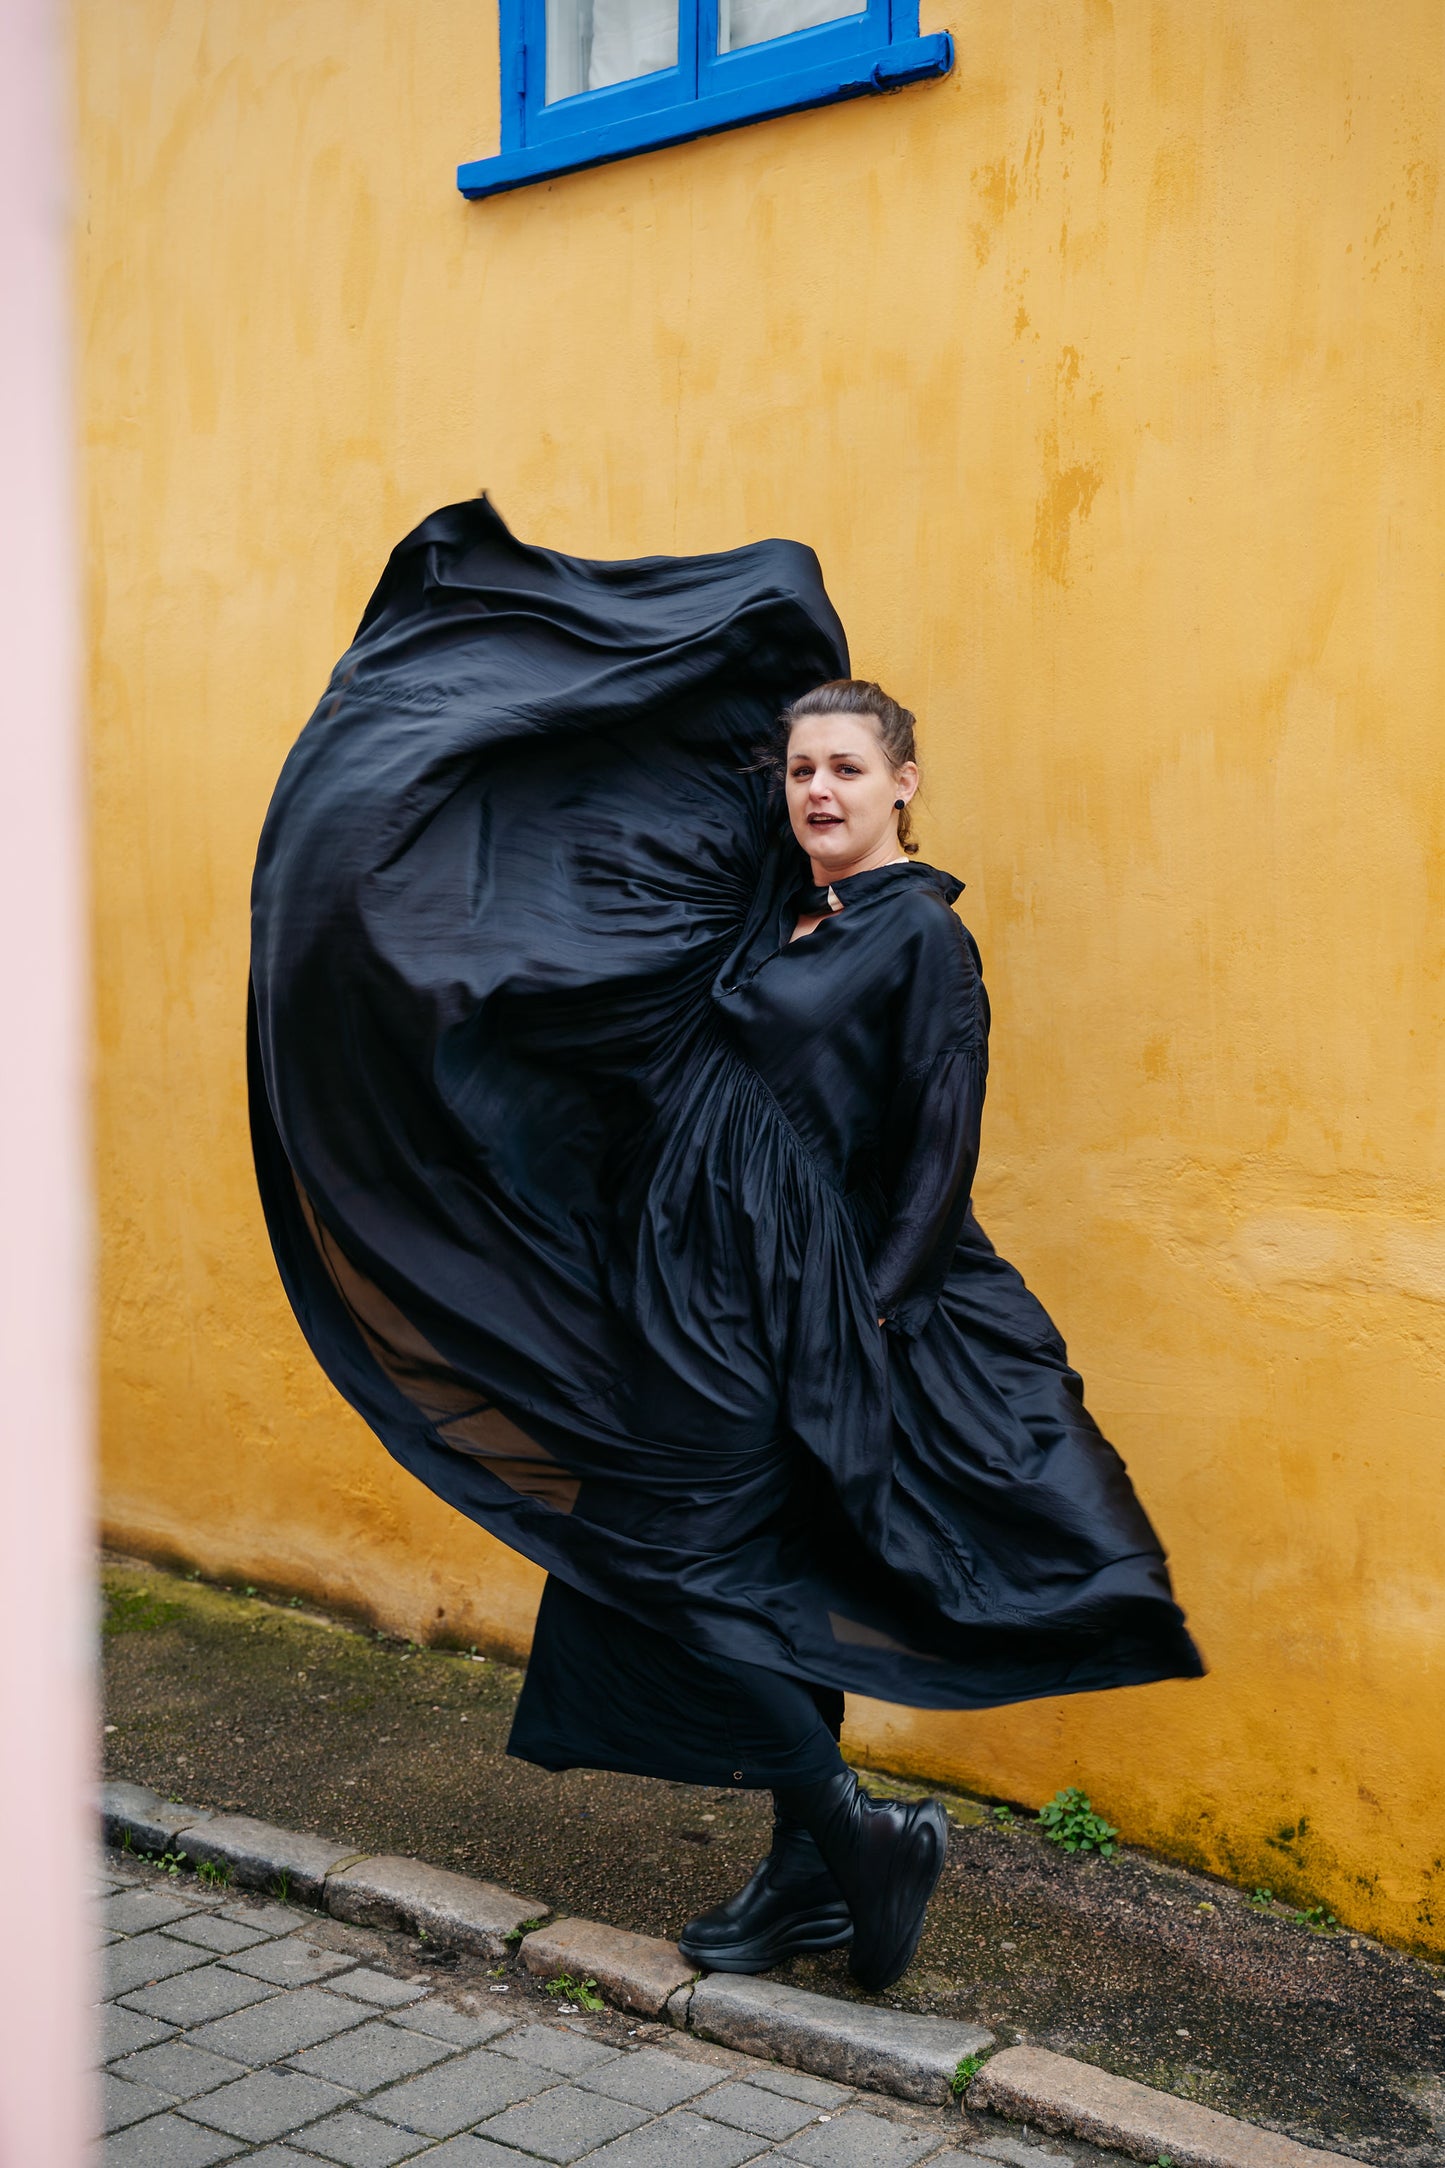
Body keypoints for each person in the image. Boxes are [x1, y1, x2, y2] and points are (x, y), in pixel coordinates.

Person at [249, 497, 1202, 1999]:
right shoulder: (774, 917)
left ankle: (853, 1827)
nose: (818, 788)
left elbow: (938, 1145)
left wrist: (870, 1318)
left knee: (673, 1554)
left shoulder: (922, 941)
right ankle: (807, 1877)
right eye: (800, 768)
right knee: (757, 1566)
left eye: (846, 768)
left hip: (791, 1302)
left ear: (904, 786)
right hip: (687, 1280)